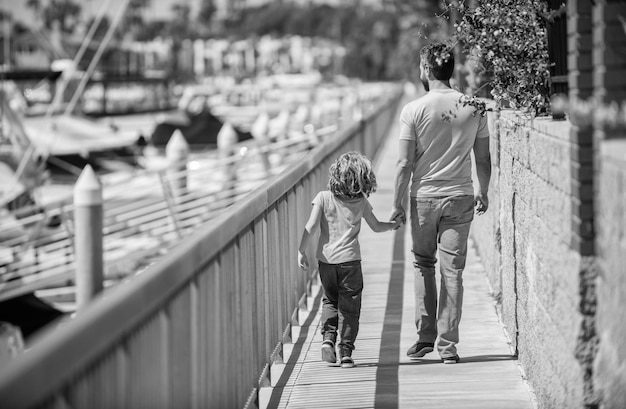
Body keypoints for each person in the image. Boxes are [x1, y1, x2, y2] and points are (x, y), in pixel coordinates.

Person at [390, 43, 492, 364]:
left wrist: (396, 204)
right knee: (453, 272)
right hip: (461, 196)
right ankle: (448, 346)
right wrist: (484, 191)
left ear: (425, 68)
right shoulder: (475, 106)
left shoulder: (413, 110)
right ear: (450, 69)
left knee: (423, 263)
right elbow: (484, 158)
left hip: (423, 199)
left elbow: (404, 164)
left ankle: (424, 337)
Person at [298, 151, 400, 368]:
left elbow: (311, 226)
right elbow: (376, 226)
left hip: (326, 261)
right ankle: (345, 352)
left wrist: (301, 250)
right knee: (350, 308)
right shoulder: (361, 202)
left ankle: (328, 339)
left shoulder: (323, 198)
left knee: (330, 300)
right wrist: (393, 225)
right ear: (363, 178)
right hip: (351, 262)